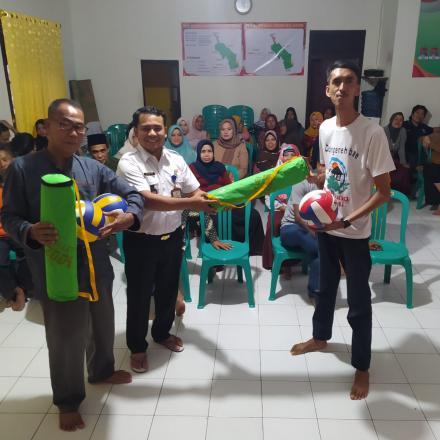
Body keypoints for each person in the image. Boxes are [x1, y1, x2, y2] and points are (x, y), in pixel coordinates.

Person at [1, 98, 144, 432]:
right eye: (65, 124)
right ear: (47, 127)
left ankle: (101, 371)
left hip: (96, 263)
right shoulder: (23, 169)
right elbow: (8, 216)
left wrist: (130, 215)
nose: (74, 132)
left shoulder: (91, 168)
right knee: (66, 336)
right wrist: (29, 230)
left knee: (103, 322)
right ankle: (67, 400)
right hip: (55, 266)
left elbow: (132, 193)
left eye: (79, 126)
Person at [291, 60, 395, 401]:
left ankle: (362, 366)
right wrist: (314, 180)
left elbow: (384, 192)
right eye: (336, 81)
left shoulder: (372, 133)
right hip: (327, 226)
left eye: (349, 81)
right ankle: (320, 337)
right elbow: (327, 170)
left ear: (356, 89)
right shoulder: (324, 129)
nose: (342, 87)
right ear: (327, 90)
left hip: (354, 232)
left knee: (359, 302)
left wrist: (349, 220)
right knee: (324, 287)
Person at [116, 106, 216, 374]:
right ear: (136, 132)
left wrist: (214, 201)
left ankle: (162, 333)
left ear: (165, 130)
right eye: (146, 128)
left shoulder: (175, 159)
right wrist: (192, 203)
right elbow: (147, 201)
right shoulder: (128, 162)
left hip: (172, 236)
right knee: (139, 295)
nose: (152, 133)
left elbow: (195, 190)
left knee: (168, 289)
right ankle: (137, 347)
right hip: (141, 241)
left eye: (157, 127)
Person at [279, 170, 324, 298]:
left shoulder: (330, 187)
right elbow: (298, 218)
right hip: (290, 227)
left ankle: (314, 292)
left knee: (319, 254)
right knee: (320, 247)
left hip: (311, 229)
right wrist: (314, 232)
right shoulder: (302, 183)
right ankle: (319, 290)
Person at [0, 144, 31, 312]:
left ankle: (26, 289)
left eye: (5, 159)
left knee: (30, 253)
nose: (2, 164)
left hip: (20, 229)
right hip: (1, 235)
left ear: (13, 159)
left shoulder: (23, 181)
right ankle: (13, 291)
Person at [188, 140, 233, 249]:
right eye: (203, 151)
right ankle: (215, 249)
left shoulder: (219, 166)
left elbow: (228, 186)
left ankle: (243, 246)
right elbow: (192, 190)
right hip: (204, 203)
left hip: (222, 200)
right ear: (198, 153)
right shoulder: (193, 168)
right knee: (215, 219)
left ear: (213, 153)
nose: (207, 154)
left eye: (209, 151)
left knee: (251, 214)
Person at [383, 112, 411, 196]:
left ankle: (399, 193)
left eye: (401, 120)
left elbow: (401, 148)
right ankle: (384, 191)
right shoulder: (384, 130)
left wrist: (403, 162)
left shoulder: (403, 131)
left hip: (394, 157)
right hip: (382, 157)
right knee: (388, 169)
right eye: (396, 119)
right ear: (391, 120)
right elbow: (382, 148)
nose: (398, 122)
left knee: (404, 169)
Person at [423, 130, 440, 212]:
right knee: (431, 169)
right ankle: (434, 202)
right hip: (434, 164)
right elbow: (420, 139)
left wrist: (431, 144)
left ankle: (436, 202)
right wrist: (426, 138)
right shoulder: (435, 135)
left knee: (433, 171)